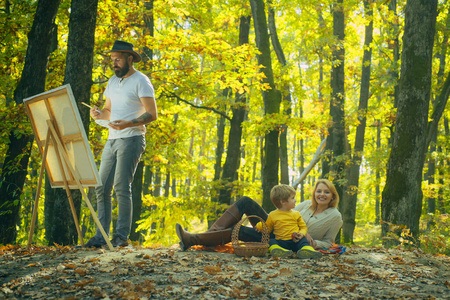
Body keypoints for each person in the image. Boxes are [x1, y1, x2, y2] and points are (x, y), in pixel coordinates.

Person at [85, 40, 157, 248]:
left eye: (117, 60)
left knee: (121, 187)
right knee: (101, 187)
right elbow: (108, 110)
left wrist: (128, 123)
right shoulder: (111, 82)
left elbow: (152, 114)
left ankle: (121, 237)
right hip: (112, 139)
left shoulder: (141, 81)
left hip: (132, 138)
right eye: (112, 60)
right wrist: (98, 114)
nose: (114, 64)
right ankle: (101, 237)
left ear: (130, 58)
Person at [176, 179, 342, 254]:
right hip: (272, 227)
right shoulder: (305, 204)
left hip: (285, 240)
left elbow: (329, 242)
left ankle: (196, 239)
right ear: (314, 193)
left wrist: (312, 241)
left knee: (237, 230)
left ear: (332, 195)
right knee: (246, 201)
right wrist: (264, 221)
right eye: (319, 191)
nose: (322, 194)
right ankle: (206, 237)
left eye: (326, 192)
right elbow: (284, 213)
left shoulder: (335, 216)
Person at [255, 184, 322, 259]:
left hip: (295, 241)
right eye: (292, 198)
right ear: (283, 202)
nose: (295, 200)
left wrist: (301, 234)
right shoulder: (272, 215)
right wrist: (260, 226)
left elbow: (303, 227)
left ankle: (306, 250)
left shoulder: (296, 214)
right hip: (281, 242)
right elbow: (268, 229)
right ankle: (278, 251)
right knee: (271, 241)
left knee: (303, 241)